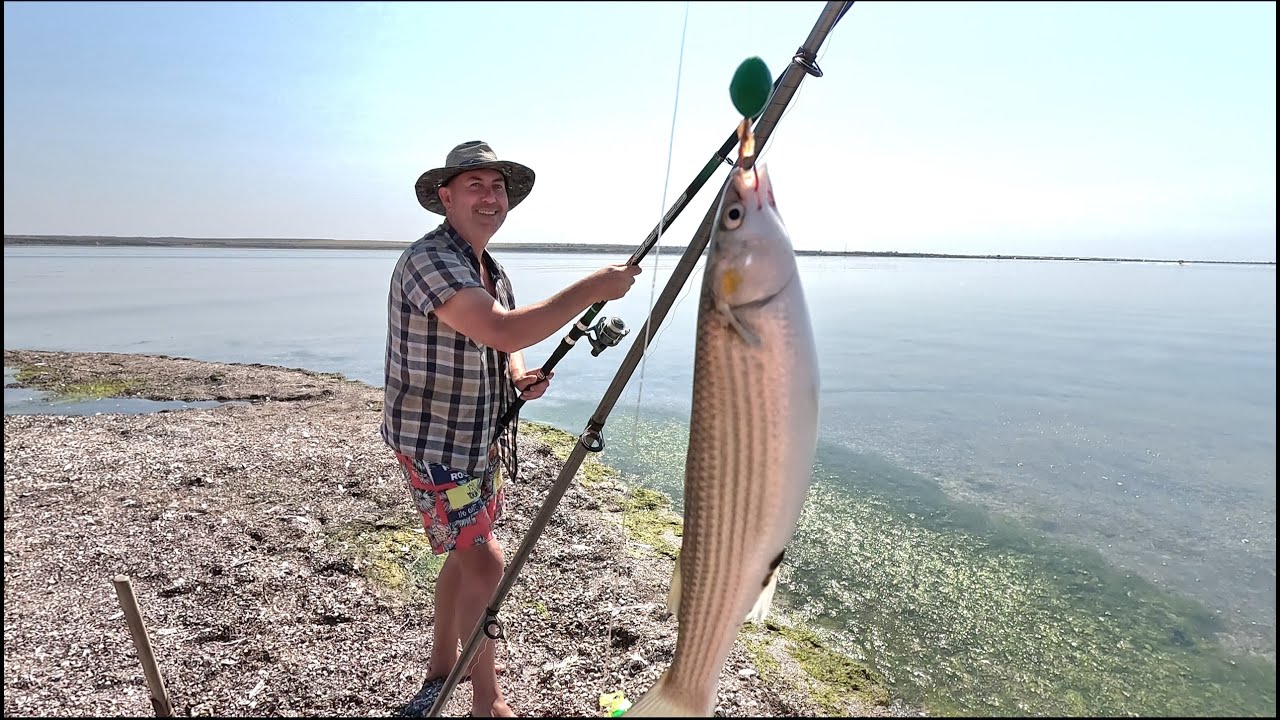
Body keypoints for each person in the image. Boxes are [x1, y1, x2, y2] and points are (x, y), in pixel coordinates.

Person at [382, 140, 641, 717]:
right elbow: (500, 328)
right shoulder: (430, 260)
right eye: (474, 185)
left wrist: (521, 375)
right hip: (436, 445)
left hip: (480, 438)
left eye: (496, 186)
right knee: (487, 561)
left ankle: (440, 672)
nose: (489, 196)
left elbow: (505, 347)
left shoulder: (490, 269)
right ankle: (486, 701)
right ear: (445, 196)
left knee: (461, 554)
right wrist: (593, 289)